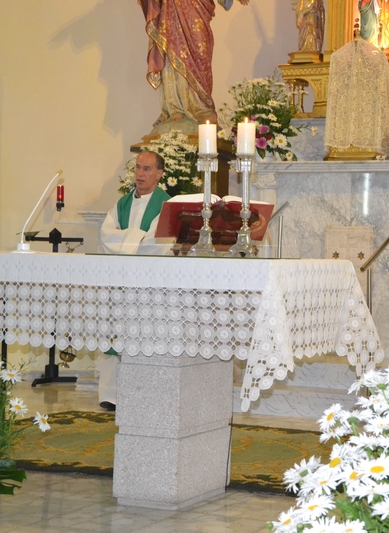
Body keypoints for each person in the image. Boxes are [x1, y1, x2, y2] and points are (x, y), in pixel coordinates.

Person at [96, 151, 173, 410]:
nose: (140, 173)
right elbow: (106, 235)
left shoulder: (166, 205)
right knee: (116, 332)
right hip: (122, 281)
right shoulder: (122, 204)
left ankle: (145, 394)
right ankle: (111, 395)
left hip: (151, 284)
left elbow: (157, 243)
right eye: (138, 168)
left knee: (145, 335)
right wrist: (136, 236)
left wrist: (126, 236)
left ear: (160, 174)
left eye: (147, 169)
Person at [140, 0, 249, 128]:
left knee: (200, 52)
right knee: (172, 46)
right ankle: (175, 107)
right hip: (170, 9)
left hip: (197, 8)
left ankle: (201, 106)